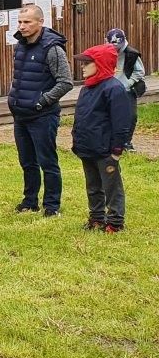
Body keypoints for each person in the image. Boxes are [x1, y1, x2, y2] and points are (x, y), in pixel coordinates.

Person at [8, 4, 73, 217]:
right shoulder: (20, 45)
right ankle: (29, 201)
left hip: (42, 116)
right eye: (19, 22)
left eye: (27, 22)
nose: (22, 26)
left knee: (48, 162)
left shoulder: (52, 48)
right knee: (27, 162)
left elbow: (65, 82)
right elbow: (21, 77)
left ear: (40, 22)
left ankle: (52, 206)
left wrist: (42, 101)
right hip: (20, 115)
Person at [72, 44, 135, 233]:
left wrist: (116, 151)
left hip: (106, 151)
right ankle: (97, 217)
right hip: (87, 147)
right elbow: (82, 117)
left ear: (100, 64)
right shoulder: (87, 88)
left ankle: (115, 221)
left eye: (87, 63)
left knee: (111, 187)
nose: (82, 67)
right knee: (93, 186)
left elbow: (122, 122)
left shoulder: (114, 89)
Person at [106, 28, 145, 152]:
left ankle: (127, 142)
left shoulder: (131, 53)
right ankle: (112, 141)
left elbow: (140, 72)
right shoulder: (104, 52)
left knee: (131, 116)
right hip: (110, 89)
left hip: (127, 89)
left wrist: (128, 83)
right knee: (110, 115)